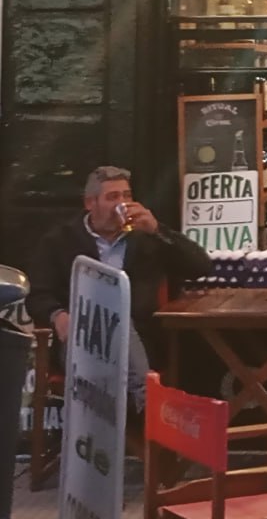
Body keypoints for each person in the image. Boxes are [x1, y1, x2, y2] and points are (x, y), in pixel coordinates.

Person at [27, 165, 211, 415]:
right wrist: (57, 315)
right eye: (113, 197)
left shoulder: (146, 238)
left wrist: (158, 230)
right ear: (90, 203)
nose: (122, 203)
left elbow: (199, 266)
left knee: (119, 317)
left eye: (127, 195)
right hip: (81, 341)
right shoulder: (60, 240)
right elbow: (38, 295)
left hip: (142, 340)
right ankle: (148, 405)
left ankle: (129, 408)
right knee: (102, 316)